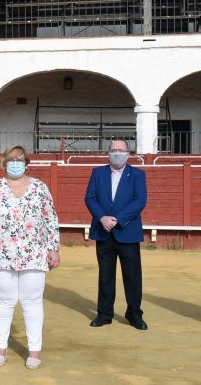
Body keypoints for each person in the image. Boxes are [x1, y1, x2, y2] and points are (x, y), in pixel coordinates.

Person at [0, 146, 60, 369]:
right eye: (11, 159)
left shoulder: (40, 188)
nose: (15, 163)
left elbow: (50, 219)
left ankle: (34, 351)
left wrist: (53, 249)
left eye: (19, 159)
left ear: (27, 162)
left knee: (32, 302)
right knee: (3, 302)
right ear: (3, 162)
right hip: (2, 252)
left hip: (34, 252)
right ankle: (0, 347)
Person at [84, 138, 148, 330]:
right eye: (114, 150)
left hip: (127, 231)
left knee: (132, 276)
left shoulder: (137, 174)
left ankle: (134, 314)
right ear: (108, 153)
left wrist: (117, 219)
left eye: (121, 150)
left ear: (128, 154)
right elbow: (90, 198)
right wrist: (102, 218)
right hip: (103, 231)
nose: (117, 153)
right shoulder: (98, 173)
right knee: (105, 276)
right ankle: (104, 314)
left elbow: (140, 201)